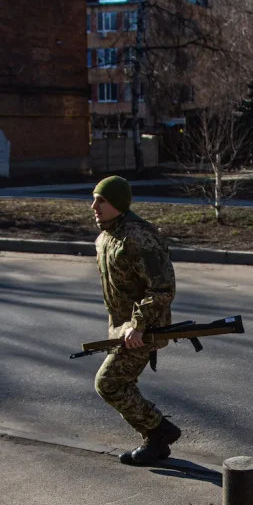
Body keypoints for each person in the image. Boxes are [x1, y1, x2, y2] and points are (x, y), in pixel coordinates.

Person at [90, 176, 181, 464]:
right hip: (123, 329)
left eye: (101, 200)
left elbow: (163, 287)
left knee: (109, 384)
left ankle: (159, 430)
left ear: (117, 203)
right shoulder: (107, 236)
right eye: (94, 199)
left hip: (145, 329)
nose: (94, 206)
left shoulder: (137, 236)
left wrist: (139, 325)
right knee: (121, 383)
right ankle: (156, 440)